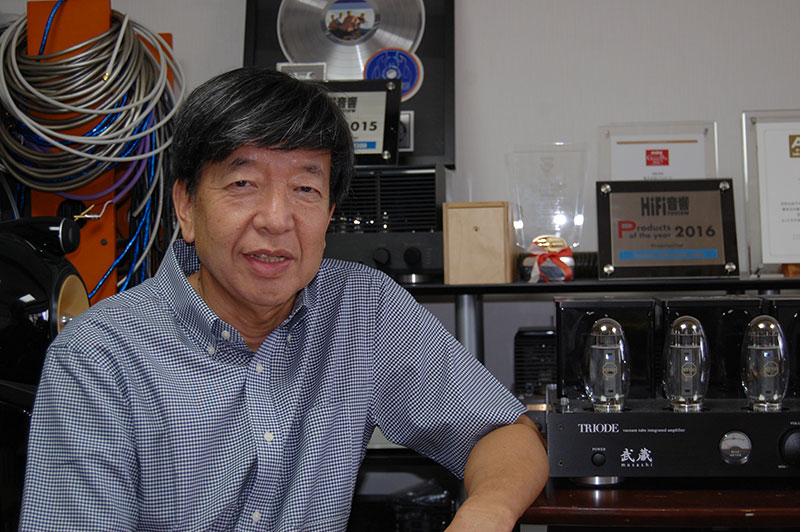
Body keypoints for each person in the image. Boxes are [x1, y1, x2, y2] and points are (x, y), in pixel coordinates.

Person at [20, 67, 548, 531]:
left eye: (305, 189)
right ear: (185, 206)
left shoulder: (360, 308)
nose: (277, 220)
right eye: (243, 183)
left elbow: (508, 434)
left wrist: (485, 513)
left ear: (330, 214)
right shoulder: (98, 357)